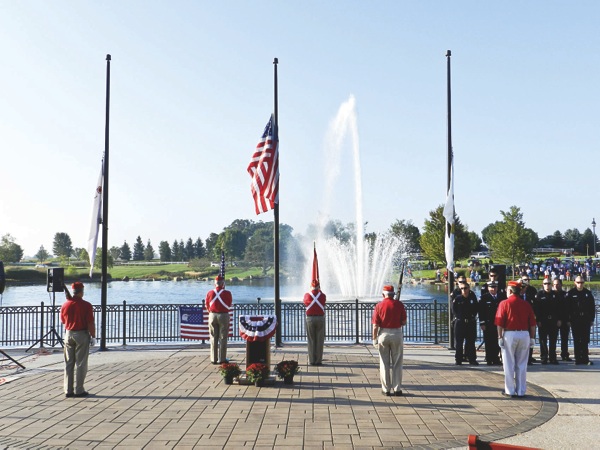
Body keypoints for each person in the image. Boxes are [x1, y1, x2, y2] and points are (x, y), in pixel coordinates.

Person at [495, 280, 536, 398]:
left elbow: (500, 323)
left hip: (510, 334)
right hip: (524, 334)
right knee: (522, 364)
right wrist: (532, 337)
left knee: (508, 363)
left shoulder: (504, 303)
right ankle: (521, 390)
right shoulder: (526, 304)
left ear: (510, 291)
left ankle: (510, 390)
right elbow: (532, 323)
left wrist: (499, 336)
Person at [60, 281, 96, 398]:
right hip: (81, 334)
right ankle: (79, 389)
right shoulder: (86, 305)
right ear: (81, 292)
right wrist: (93, 335)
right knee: (81, 363)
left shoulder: (65, 305)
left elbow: (63, 321)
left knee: (69, 363)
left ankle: (68, 390)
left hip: (68, 334)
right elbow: (90, 322)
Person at [372, 284, 407, 396]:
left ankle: (386, 389)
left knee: (384, 363)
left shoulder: (379, 305)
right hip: (396, 333)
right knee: (397, 363)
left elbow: (375, 325)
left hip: (383, 334)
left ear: (383, 295)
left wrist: (374, 338)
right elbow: (404, 322)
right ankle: (397, 388)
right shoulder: (399, 305)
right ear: (393, 294)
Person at [566, 276, 595, 365]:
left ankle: (585, 358)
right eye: (578, 282)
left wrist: (591, 319)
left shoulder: (588, 293)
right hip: (575, 320)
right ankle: (578, 359)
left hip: (585, 320)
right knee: (577, 339)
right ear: (575, 282)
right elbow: (567, 308)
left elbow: (592, 308)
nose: (580, 284)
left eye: (582, 282)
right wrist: (568, 320)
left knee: (585, 340)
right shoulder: (571, 293)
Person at [205, 275, 233, 364]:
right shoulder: (227, 293)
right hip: (223, 315)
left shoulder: (210, 293)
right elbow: (229, 304)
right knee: (223, 337)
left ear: (215, 284)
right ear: (223, 283)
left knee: (213, 337)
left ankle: (213, 359)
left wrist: (211, 311)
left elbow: (206, 304)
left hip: (212, 315)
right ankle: (222, 359)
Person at [452, 280, 479, 365]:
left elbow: (476, 309)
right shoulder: (457, 299)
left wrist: (472, 317)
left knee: (471, 342)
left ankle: (472, 359)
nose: (464, 290)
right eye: (462, 288)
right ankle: (458, 359)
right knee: (459, 342)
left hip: (470, 323)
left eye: (465, 288)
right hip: (460, 323)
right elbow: (454, 310)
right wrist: (459, 317)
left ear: (469, 288)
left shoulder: (472, 298)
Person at [535, 277, 560, 364]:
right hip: (543, 321)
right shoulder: (539, 295)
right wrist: (538, 320)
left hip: (553, 321)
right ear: (543, 285)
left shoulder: (556, 295)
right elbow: (537, 309)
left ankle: (553, 357)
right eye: (545, 284)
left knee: (553, 340)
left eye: (549, 284)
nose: (547, 285)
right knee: (543, 340)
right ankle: (544, 357)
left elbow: (560, 309)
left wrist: (559, 319)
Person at [303, 279, 326, 366]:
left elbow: (305, 303)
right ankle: (318, 360)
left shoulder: (307, 295)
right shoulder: (322, 295)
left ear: (311, 286)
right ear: (319, 286)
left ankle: (312, 360)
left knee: (311, 340)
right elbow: (323, 302)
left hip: (310, 318)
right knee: (319, 340)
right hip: (320, 318)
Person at [478, 281, 502, 365]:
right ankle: (489, 358)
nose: (493, 289)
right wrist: (482, 323)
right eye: (491, 287)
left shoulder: (501, 297)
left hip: (498, 323)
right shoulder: (484, 298)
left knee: (497, 342)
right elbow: (481, 311)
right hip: (488, 323)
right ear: (488, 288)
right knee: (488, 342)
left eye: (495, 287)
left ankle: (496, 358)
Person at [520, 275, 538, 364]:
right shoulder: (518, 290)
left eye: (528, 279)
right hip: (521, 320)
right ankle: (523, 357)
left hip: (531, 318)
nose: (527, 281)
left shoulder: (532, 290)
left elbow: (536, 304)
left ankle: (529, 357)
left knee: (531, 337)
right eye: (524, 280)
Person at [553, 278, 572, 361]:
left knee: (564, 338)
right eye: (554, 284)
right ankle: (552, 355)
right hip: (554, 320)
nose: (556, 286)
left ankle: (564, 354)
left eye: (558, 284)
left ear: (561, 285)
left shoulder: (566, 295)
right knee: (553, 339)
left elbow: (568, 308)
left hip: (564, 320)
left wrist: (568, 320)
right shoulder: (551, 295)